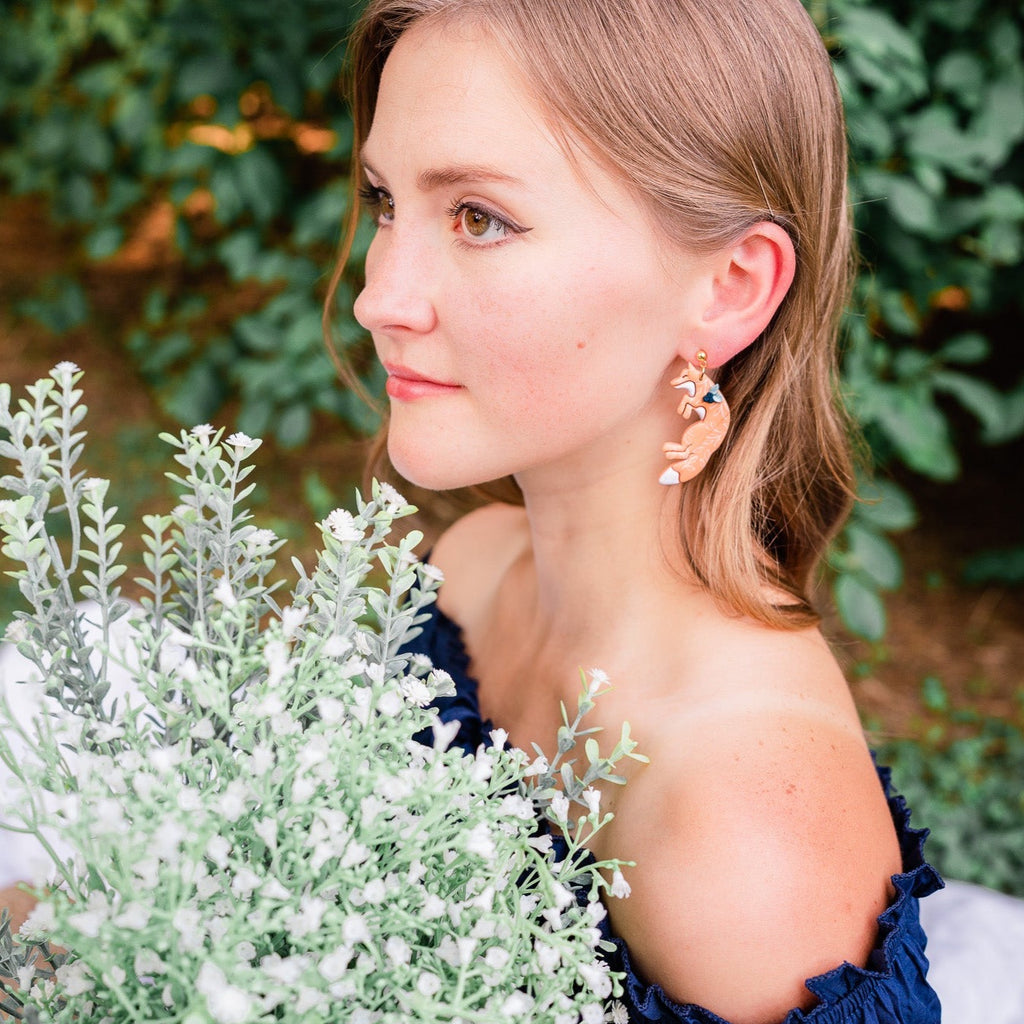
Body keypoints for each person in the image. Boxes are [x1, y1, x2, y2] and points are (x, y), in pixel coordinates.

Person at [328, 0, 944, 1021]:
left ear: (728, 288)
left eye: (479, 216)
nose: (379, 298)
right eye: (384, 199)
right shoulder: (474, 571)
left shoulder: (742, 847)